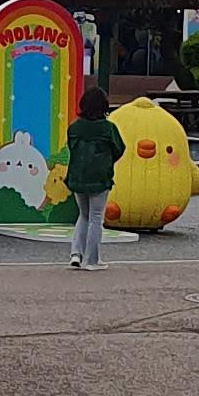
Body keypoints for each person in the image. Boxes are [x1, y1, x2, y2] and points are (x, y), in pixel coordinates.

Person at [63, 78, 125, 268]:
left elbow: (71, 147)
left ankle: (75, 254)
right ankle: (92, 260)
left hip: (77, 177)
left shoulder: (74, 127)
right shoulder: (108, 128)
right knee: (96, 218)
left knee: (83, 215)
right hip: (99, 178)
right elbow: (119, 149)